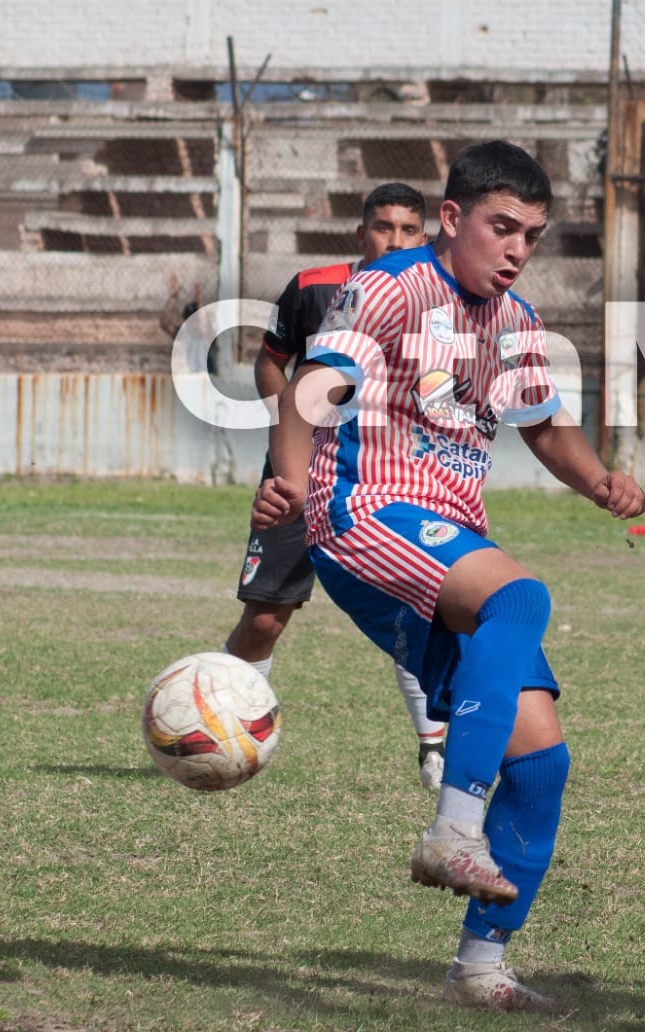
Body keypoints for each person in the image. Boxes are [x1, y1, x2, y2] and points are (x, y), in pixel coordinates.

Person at [252, 141, 645, 1011]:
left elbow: (544, 427)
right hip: (364, 511)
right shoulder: (391, 285)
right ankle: (453, 828)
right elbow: (311, 388)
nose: (516, 249)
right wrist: (287, 475)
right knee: (519, 597)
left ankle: (479, 969)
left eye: (532, 236)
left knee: (542, 763)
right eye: (502, 227)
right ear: (453, 219)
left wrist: (599, 479)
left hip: (445, 534)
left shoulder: (517, 320)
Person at [225, 183, 450, 791]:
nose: (394, 240)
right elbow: (272, 359)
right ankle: (221, 726)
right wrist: (286, 435)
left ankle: (436, 753)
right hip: (303, 475)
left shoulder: (441, 304)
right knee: (266, 617)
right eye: (383, 228)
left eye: (408, 230)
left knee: (416, 614)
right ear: (361, 233)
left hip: (390, 482)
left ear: (424, 236)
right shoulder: (313, 287)